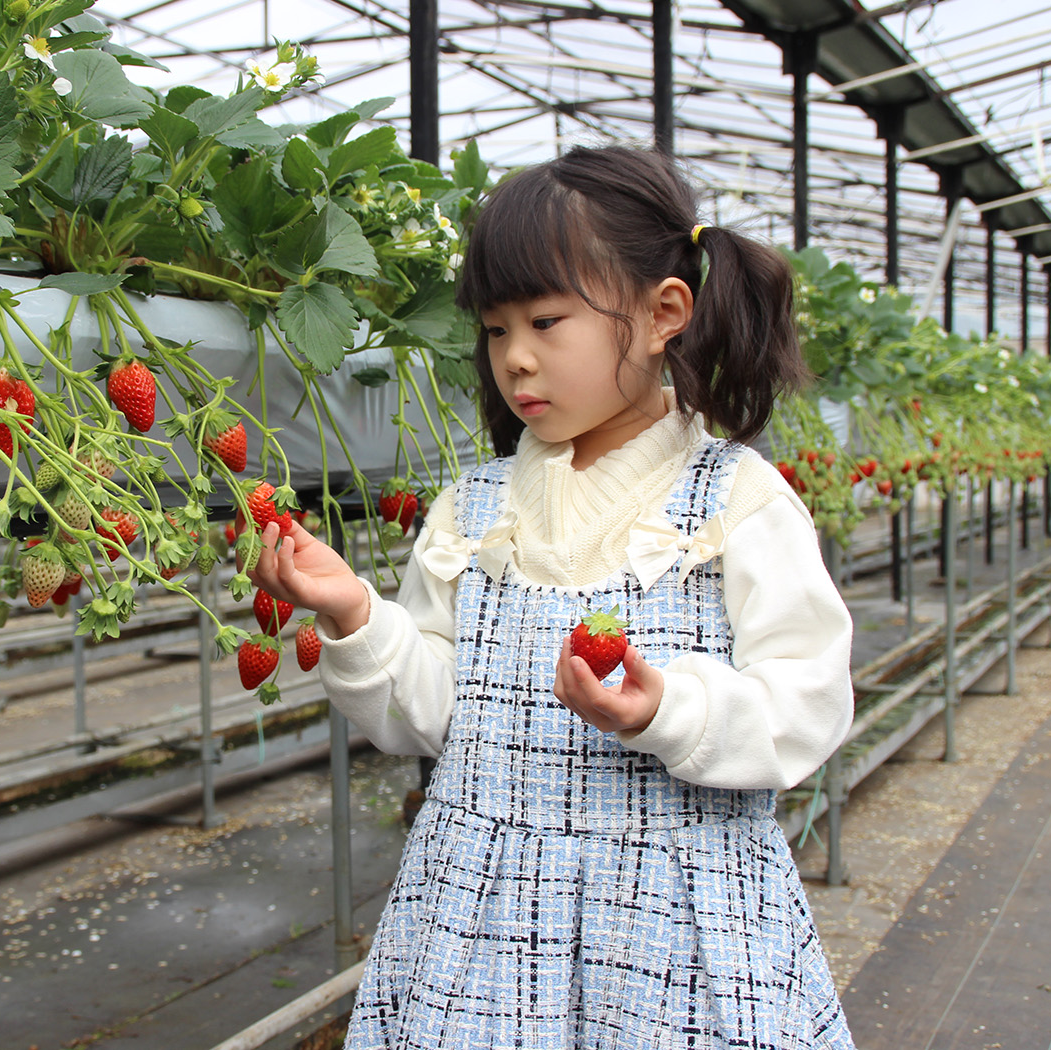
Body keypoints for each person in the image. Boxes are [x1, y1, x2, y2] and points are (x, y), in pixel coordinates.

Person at [250, 144, 857, 1048]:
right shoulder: (476, 510)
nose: (516, 359)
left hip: (676, 919)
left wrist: (673, 708)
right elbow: (428, 715)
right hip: (480, 915)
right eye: (496, 330)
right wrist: (355, 616)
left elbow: (806, 705)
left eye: (545, 321)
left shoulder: (734, 502)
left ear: (663, 315)